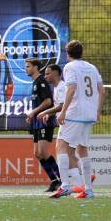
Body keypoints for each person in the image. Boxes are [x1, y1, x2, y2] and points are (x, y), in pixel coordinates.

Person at [53, 40, 105, 199]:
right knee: (82, 149)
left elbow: (71, 88)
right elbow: (102, 91)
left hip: (75, 113)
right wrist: (98, 111)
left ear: (67, 53)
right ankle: (88, 190)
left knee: (61, 146)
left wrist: (63, 111)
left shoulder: (69, 67)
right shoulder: (92, 67)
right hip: (89, 114)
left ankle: (65, 186)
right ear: (81, 52)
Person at [37, 64, 85, 193]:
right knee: (69, 153)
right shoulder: (57, 87)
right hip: (69, 121)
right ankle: (79, 183)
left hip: (68, 121)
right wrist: (50, 114)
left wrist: (45, 112)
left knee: (61, 149)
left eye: (48, 73)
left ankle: (66, 185)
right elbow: (59, 106)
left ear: (56, 73)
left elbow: (61, 106)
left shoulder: (62, 87)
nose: (45, 76)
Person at [24, 58, 60, 192]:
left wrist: (34, 112)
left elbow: (48, 101)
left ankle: (62, 179)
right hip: (36, 122)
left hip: (44, 121)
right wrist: (32, 116)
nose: (26, 68)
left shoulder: (41, 82)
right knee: (37, 154)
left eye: (28, 66)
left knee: (43, 152)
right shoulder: (34, 82)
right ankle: (54, 181)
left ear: (35, 67)